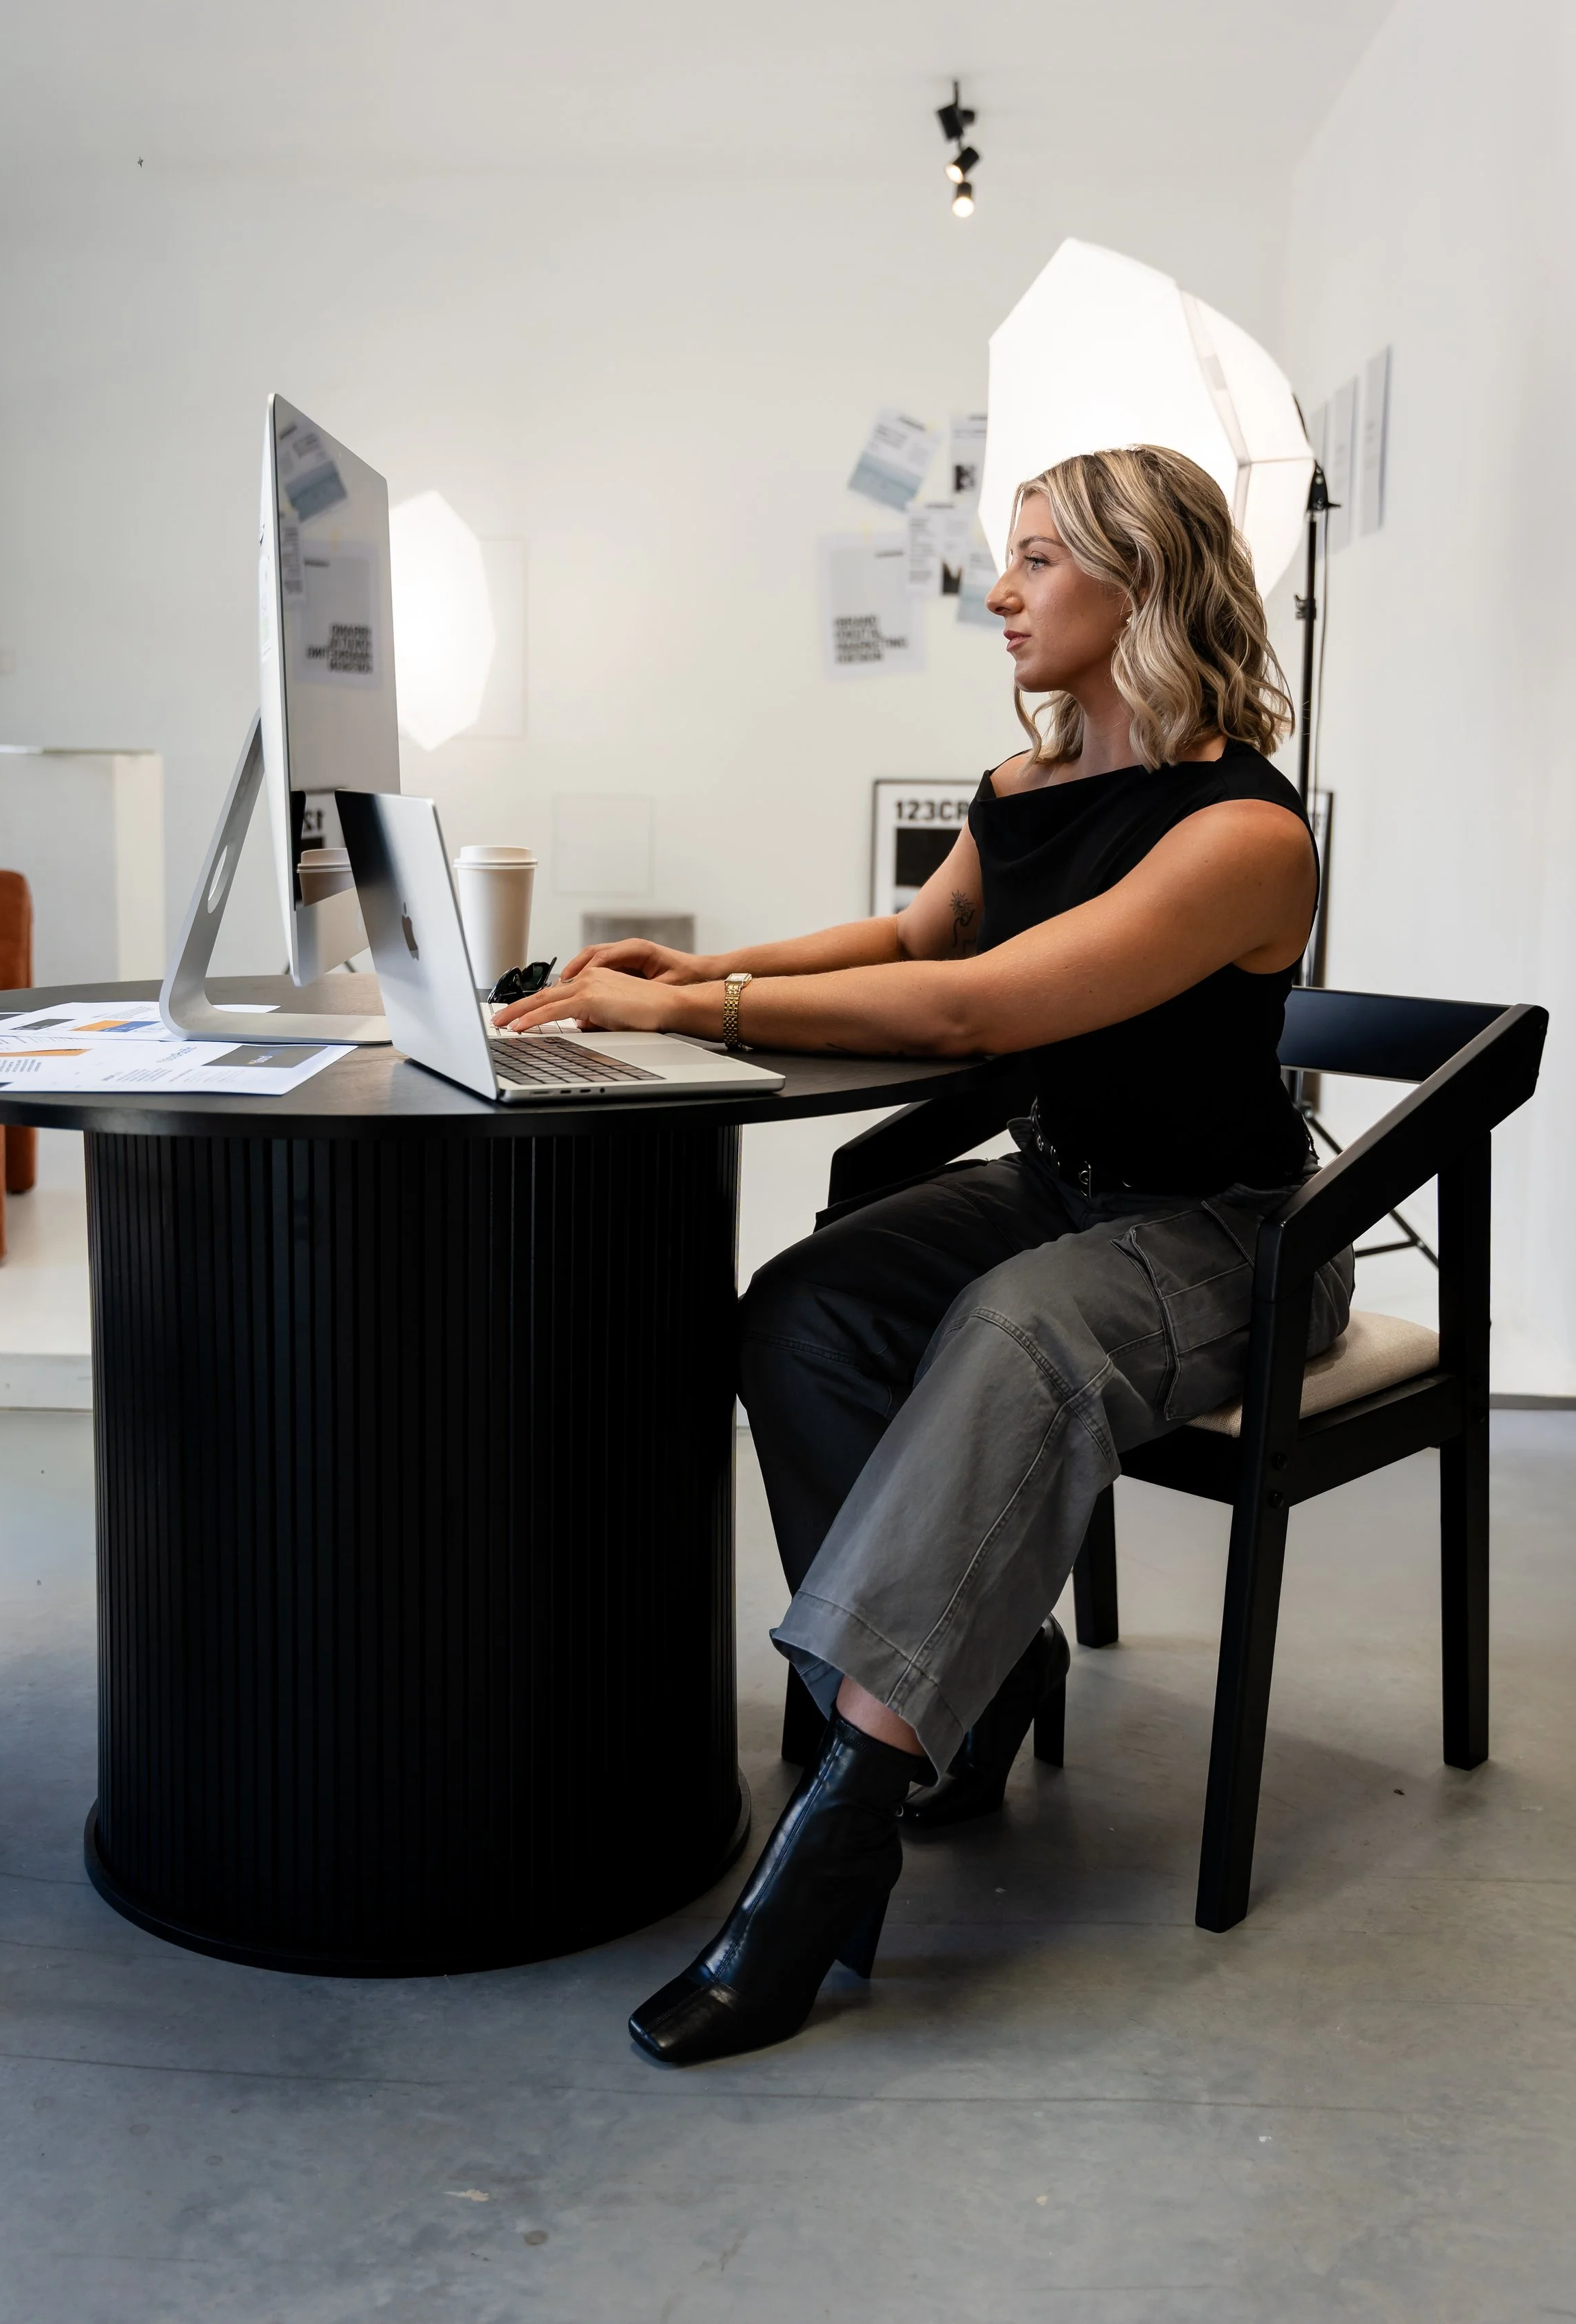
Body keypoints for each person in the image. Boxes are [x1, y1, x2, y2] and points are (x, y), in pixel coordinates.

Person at [496, 444, 1354, 2068]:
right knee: (803, 1310)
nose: (1001, 590)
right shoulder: (1021, 790)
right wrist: (703, 963)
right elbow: (908, 942)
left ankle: (834, 1840)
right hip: (1061, 1185)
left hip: (1228, 1237)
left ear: (1141, 582)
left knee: (1015, 1338)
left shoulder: (1243, 833)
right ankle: (969, 1671)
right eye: (1003, 556)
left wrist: (683, 1013)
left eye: (1037, 558)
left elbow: (980, 1007)